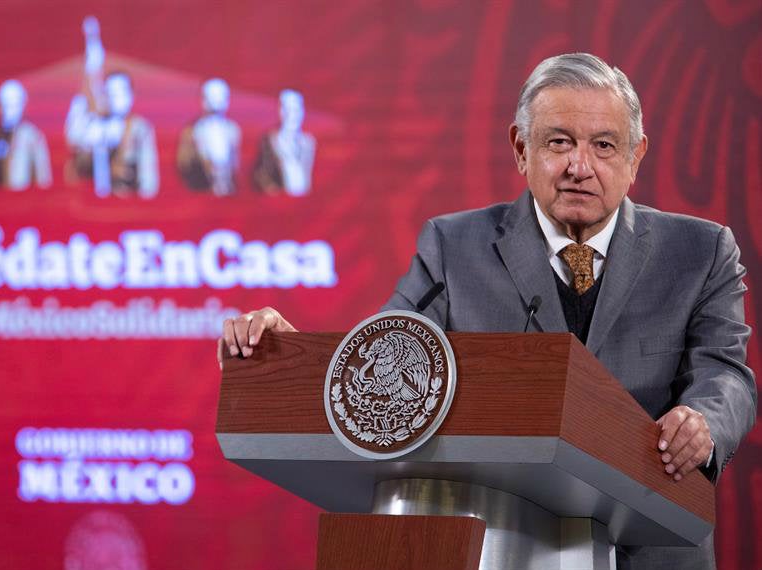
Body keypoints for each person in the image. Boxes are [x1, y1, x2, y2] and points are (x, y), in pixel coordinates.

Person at [218, 53, 757, 570]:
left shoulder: (700, 252)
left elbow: (725, 372)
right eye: (559, 142)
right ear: (521, 149)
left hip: (648, 544)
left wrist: (704, 421)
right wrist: (294, 358)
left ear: (636, 156)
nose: (579, 166)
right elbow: (386, 351)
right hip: (495, 544)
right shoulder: (454, 246)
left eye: (604, 145)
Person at [64, 17, 159, 198]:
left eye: (121, 92)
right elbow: (74, 139)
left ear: (131, 95)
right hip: (89, 209)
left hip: (127, 207)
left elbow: (148, 179)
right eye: (111, 92)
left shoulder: (139, 128)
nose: (116, 98)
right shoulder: (95, 125)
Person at [177, 78, 241, 196]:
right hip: (201, 192)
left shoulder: (232, 130)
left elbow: (235, 166)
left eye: (219, 96)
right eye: (210, 97)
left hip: (228, 194)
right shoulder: (191, 132)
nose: (214, 101)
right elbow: (183, 164)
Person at [0, 79, 52, 190]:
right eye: (4, 104)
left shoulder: (32, 136)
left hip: (22, 199)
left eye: (13, 105)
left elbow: (43, 177)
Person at [253, 89, 316, 196]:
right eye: (287, 110)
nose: (291, 115)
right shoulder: (271, 140)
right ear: (280, 111)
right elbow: (260, 174)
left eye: (295, 110)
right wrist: (273, 193)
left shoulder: (308, 143)